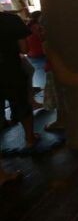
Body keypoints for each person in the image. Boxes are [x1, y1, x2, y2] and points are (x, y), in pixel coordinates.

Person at [0, 12, 37, 151]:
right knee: (21, 104)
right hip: (10, 70)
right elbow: (24, 49)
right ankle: (30, 139)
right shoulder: (10, 19)